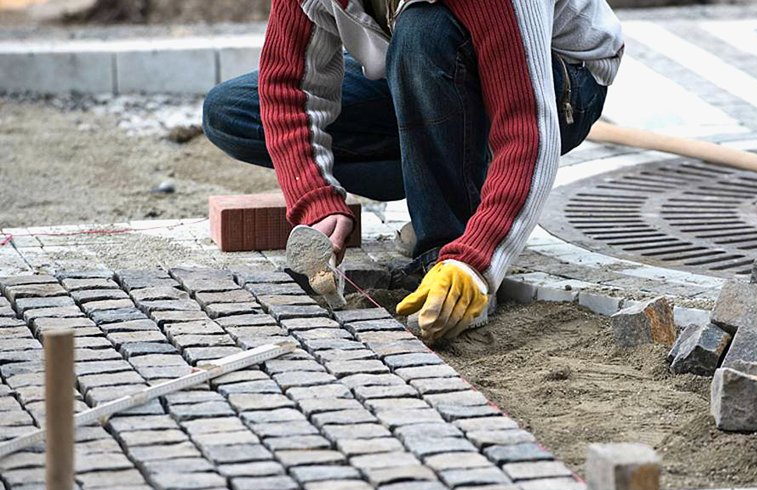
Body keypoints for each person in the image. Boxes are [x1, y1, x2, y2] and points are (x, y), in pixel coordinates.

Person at [203, 0, 624, 342]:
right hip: (420, 63)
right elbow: (287, 90)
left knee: (422, 31)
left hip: (559, 78)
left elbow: (528, 131)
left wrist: (476, 260)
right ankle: (453, 172)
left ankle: (445, 247)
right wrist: (316, 199)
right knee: (232, 112)